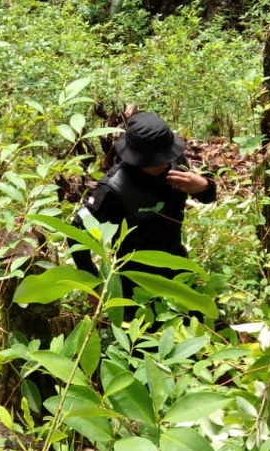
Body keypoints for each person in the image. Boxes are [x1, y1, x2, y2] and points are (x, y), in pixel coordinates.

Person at [70, 111, 216, 317]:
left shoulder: (176, 163)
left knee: (197, 327)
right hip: (136, 283)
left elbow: (208, 196)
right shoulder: (114, 189)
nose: (162, 163)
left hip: (177, 267)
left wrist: (204, 186)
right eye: (153, 160)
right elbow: (77, 230)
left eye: (165, 157)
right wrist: (91, 282)